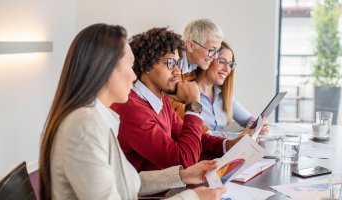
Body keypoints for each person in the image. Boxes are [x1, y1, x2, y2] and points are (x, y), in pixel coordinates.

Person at [39, 23, 225, 200]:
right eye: (129, 65)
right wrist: (192, 197)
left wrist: (182, 176)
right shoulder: (84, 127)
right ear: (105, 69)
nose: (134, 75)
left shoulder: (96, 118)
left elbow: (127, 182)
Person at [111, 27, 241, 173]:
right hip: (150, 194)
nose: (178, 71)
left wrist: (227, 144)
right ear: (146, 65)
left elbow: (192, 136)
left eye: (178, 64)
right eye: (170, 63)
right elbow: (183, 161)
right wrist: (193, 106)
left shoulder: (160, 99)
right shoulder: (133, 111)